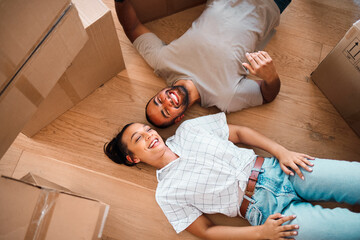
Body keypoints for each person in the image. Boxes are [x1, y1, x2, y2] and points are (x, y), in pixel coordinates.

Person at [104, 112, 360, 240]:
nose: (149, 135)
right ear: (133, 158)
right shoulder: (166, 194)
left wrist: (282, 152)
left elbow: (239, 134)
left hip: (280, 169)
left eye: (147, 129)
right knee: (351, 230)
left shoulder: (188, 129)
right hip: (266, 213)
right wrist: (261, 233)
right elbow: (206, 231)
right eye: (139, 138)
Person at [114, 0, 290, 128]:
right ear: (178, 118)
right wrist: (271, 76)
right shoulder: (225, 98)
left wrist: (120, 1)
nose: (166, 102)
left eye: (158, 101)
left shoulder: (162, 62)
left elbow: (133, 28)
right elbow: (267, 95)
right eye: (166, 111)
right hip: (270, 4)